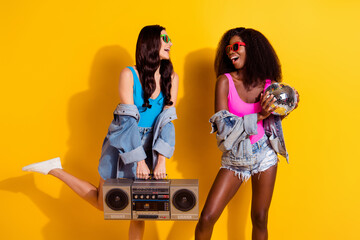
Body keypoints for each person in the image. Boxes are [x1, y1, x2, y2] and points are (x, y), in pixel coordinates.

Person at [22, 25, 179, 240]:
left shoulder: (172, 77)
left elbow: (167, 122)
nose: (170, 43)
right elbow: (127, 122)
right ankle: (55, 169)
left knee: (139, 211)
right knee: (102, 203)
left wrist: (162, 160)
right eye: (165, 38)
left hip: (151, 144)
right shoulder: (128, 73)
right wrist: (138, 161)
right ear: (150, 42)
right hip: (124, 142)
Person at [195, 27, 299, 240]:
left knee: (260, 217)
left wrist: (289, 104)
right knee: (207, 218)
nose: (230, 52)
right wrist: (259, 115)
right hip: (235, 157)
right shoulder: (225, 82)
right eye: (227, 49)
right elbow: (224, 129)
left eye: (235, 47)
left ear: (252, 49)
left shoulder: (269, 84)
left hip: (265, 154)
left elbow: (273, 119)